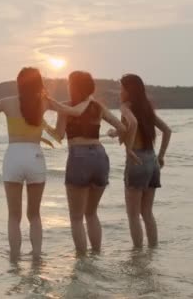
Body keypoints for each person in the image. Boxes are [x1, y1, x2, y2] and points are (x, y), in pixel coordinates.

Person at [0, 67, 93, 262]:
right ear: (39, 84)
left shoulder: (5, 103)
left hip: (13, 157)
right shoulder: (44, 103)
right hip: (35, 157)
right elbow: (72, 111)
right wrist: (87, 101)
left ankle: (14, 260)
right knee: (34, 215)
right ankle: (37, 258)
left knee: (14, 216)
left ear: (18, 83)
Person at [50, 71, 137, 255]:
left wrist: (42, 125)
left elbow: (58, 136)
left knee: (76, 217)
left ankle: (82, 263)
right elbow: (123, 128)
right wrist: (114, 134)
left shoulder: (65, 107)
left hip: (78, 157)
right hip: (99, 156)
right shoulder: (98, 106)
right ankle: (97, 255)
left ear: (72, 87)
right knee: (91, 213)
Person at [109, 73, 172, 248]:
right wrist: (161, 156)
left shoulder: (125, 106)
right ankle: (153, 251)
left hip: (136, 161)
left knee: (133, 215)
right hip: (152, 160)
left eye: (121, 88)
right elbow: (167, 130)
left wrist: (128, 149)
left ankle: (137, 256)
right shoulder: (146, 108)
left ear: (128, 91)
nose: (119, 92)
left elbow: (133, 123)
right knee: (147, 213)